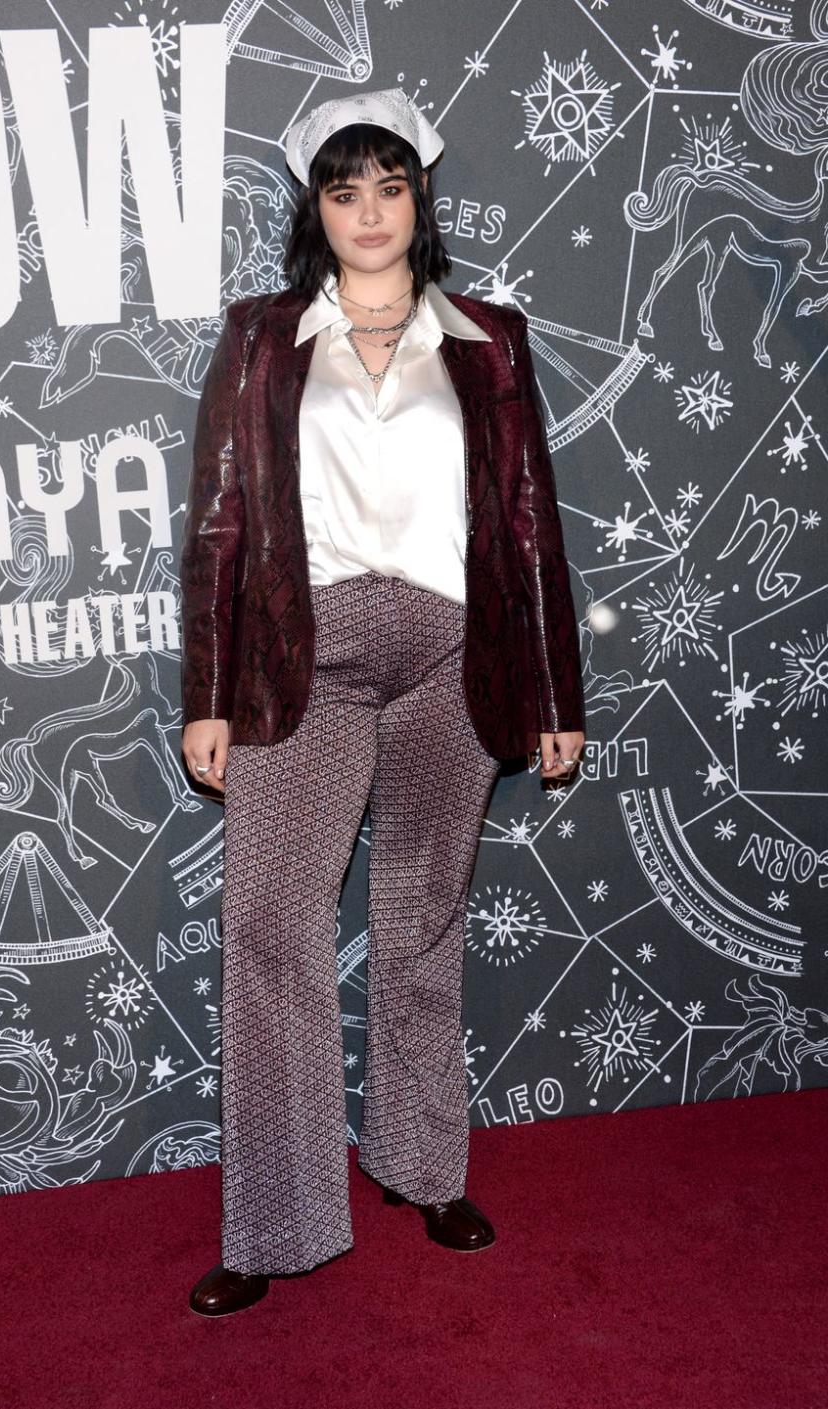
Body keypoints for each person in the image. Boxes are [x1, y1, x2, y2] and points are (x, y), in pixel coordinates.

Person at [180, 87, 586, 1317]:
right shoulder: (261, 337)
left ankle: (421, 1162)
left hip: (455, 654)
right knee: (269, 923)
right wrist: (207, 693)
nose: (369, 211)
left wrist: (557, 689)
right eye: (344, 188)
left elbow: (529, 528)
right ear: (316, 205)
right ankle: (275, 1217)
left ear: (421, 198)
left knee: (420, 916)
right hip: (305, 653)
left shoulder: (487, 338)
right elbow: (217, 528)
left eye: (391, 185)